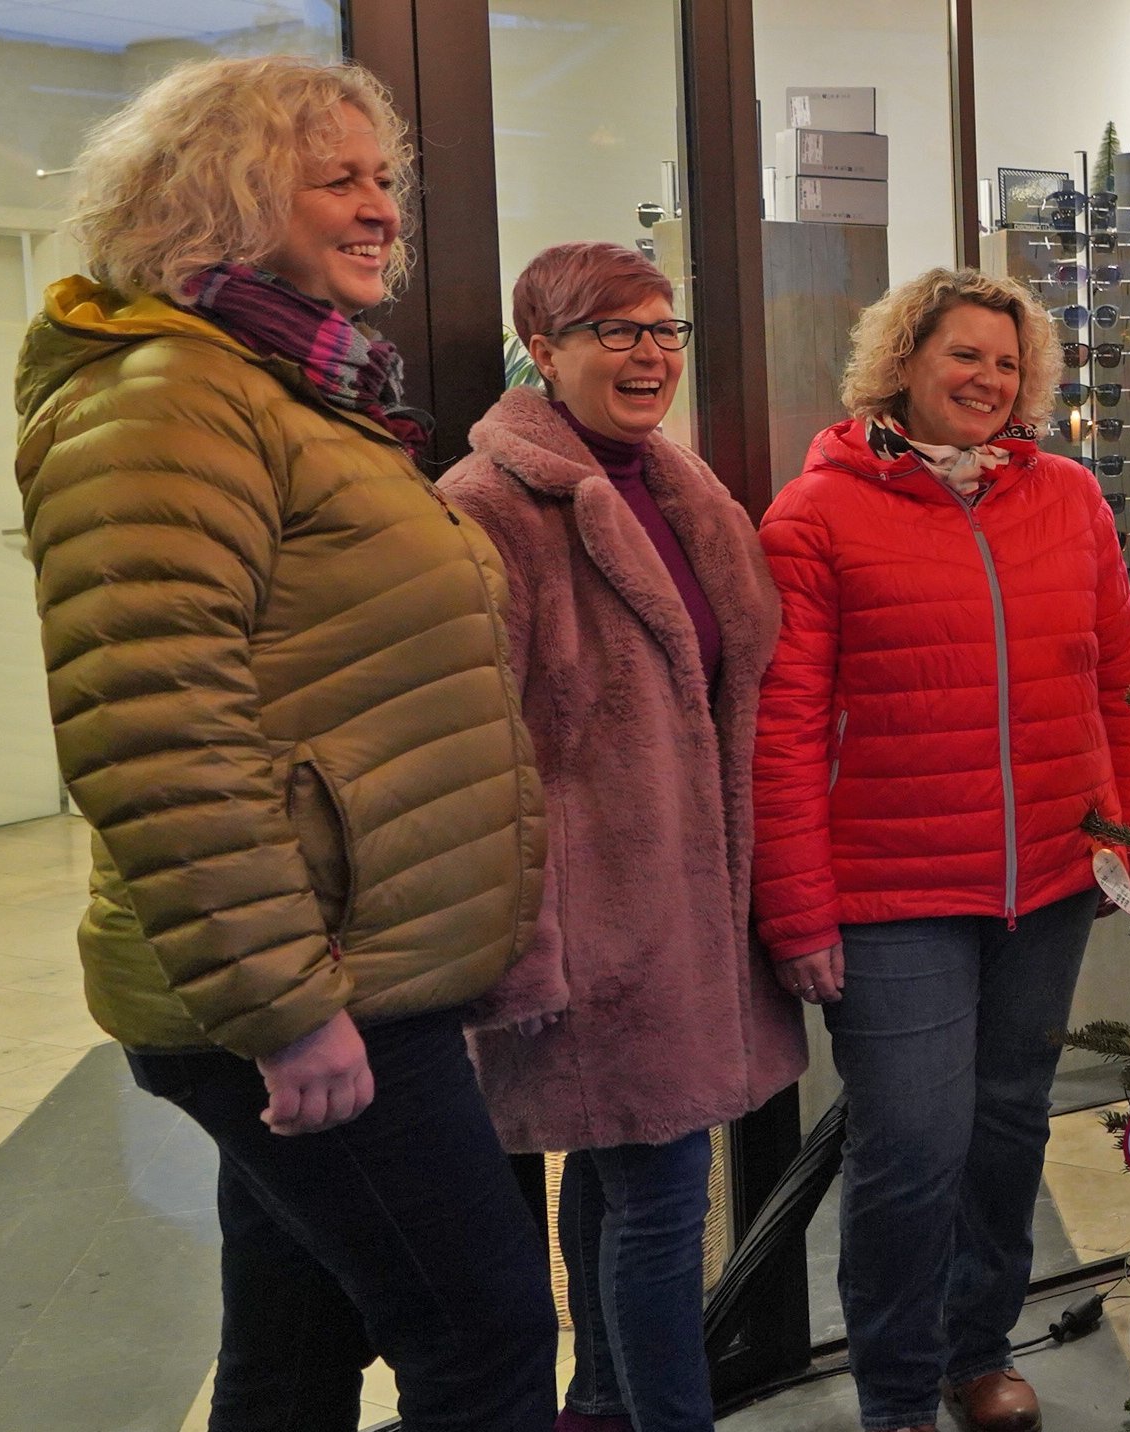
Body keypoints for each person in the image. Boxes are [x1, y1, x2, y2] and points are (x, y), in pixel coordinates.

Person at [11, 55, 554, 1432]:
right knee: (484, 1339)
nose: (382, 211)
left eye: (386, 182)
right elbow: (155, 738)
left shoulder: (300, 394)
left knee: (294, 1347)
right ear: (231, 200)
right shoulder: (166, 403)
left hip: (350, 969)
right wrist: (288, 1006)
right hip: (314, 989)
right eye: (339, 181)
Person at [750, 269, 1130, 1432]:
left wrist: (1124, 832)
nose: (987, 379)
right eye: (963, 355)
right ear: (901, 365)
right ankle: (893, 1389)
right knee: (911, 1144)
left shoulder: (1068, 497)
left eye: (1007, 361)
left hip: (1049, 879)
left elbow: (1119, 679)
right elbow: (781, 734)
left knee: (1008, 1124)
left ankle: (978, 1349)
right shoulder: (815, 515)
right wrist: (797, 907)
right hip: (892, 890)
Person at [441, 241, 805, 1432]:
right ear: (541, 352)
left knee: (617, 1174)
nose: (650, 353)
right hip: (592, 926)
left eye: (664, 329)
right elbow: (478, 750)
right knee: (658, 1201)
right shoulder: (488, 508)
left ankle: (601, 1402)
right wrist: (529, 942)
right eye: (616, 331)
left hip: (687, 915)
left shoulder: (676, 485)